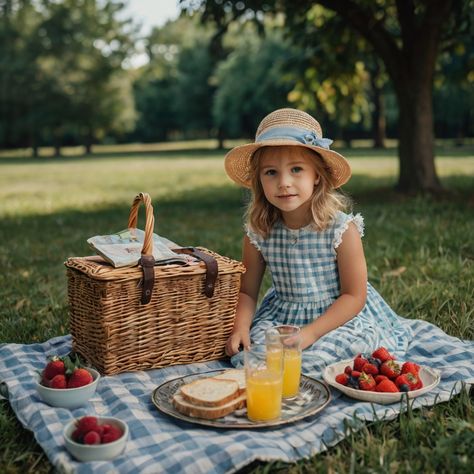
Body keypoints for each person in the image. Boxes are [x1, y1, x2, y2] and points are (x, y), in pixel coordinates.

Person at [223, 108, 412, 374]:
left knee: (331, 357)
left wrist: (311, 333)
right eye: (271, 173)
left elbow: (354, 296)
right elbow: (247, 292)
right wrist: (241, 327)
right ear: (258, 180)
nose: (284, 182)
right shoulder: (259, 231)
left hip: (338, 317)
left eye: (296, 169)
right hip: (283, 315)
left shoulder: (341, 229)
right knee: (254, 356)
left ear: (317, 176)